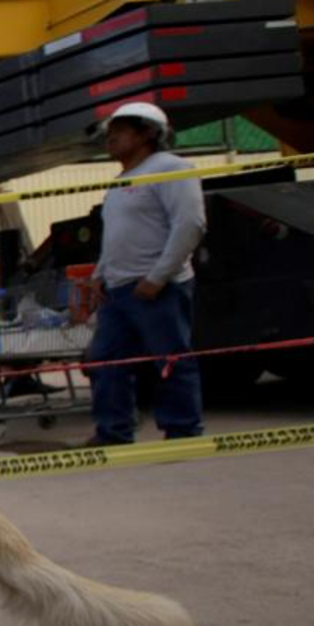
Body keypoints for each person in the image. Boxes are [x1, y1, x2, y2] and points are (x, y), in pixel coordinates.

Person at [85, 101, 206, 445]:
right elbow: (117, 236)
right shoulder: (122, 181)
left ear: (148, 133)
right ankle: (113, 432)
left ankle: (183, 431)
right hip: (119, 289)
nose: (111, 139)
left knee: (170, 361)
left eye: (120, 132)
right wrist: (99, 274)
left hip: (157, 288)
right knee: (105, 362)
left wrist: (158, 277)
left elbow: (190, 224)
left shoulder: (172, 167)